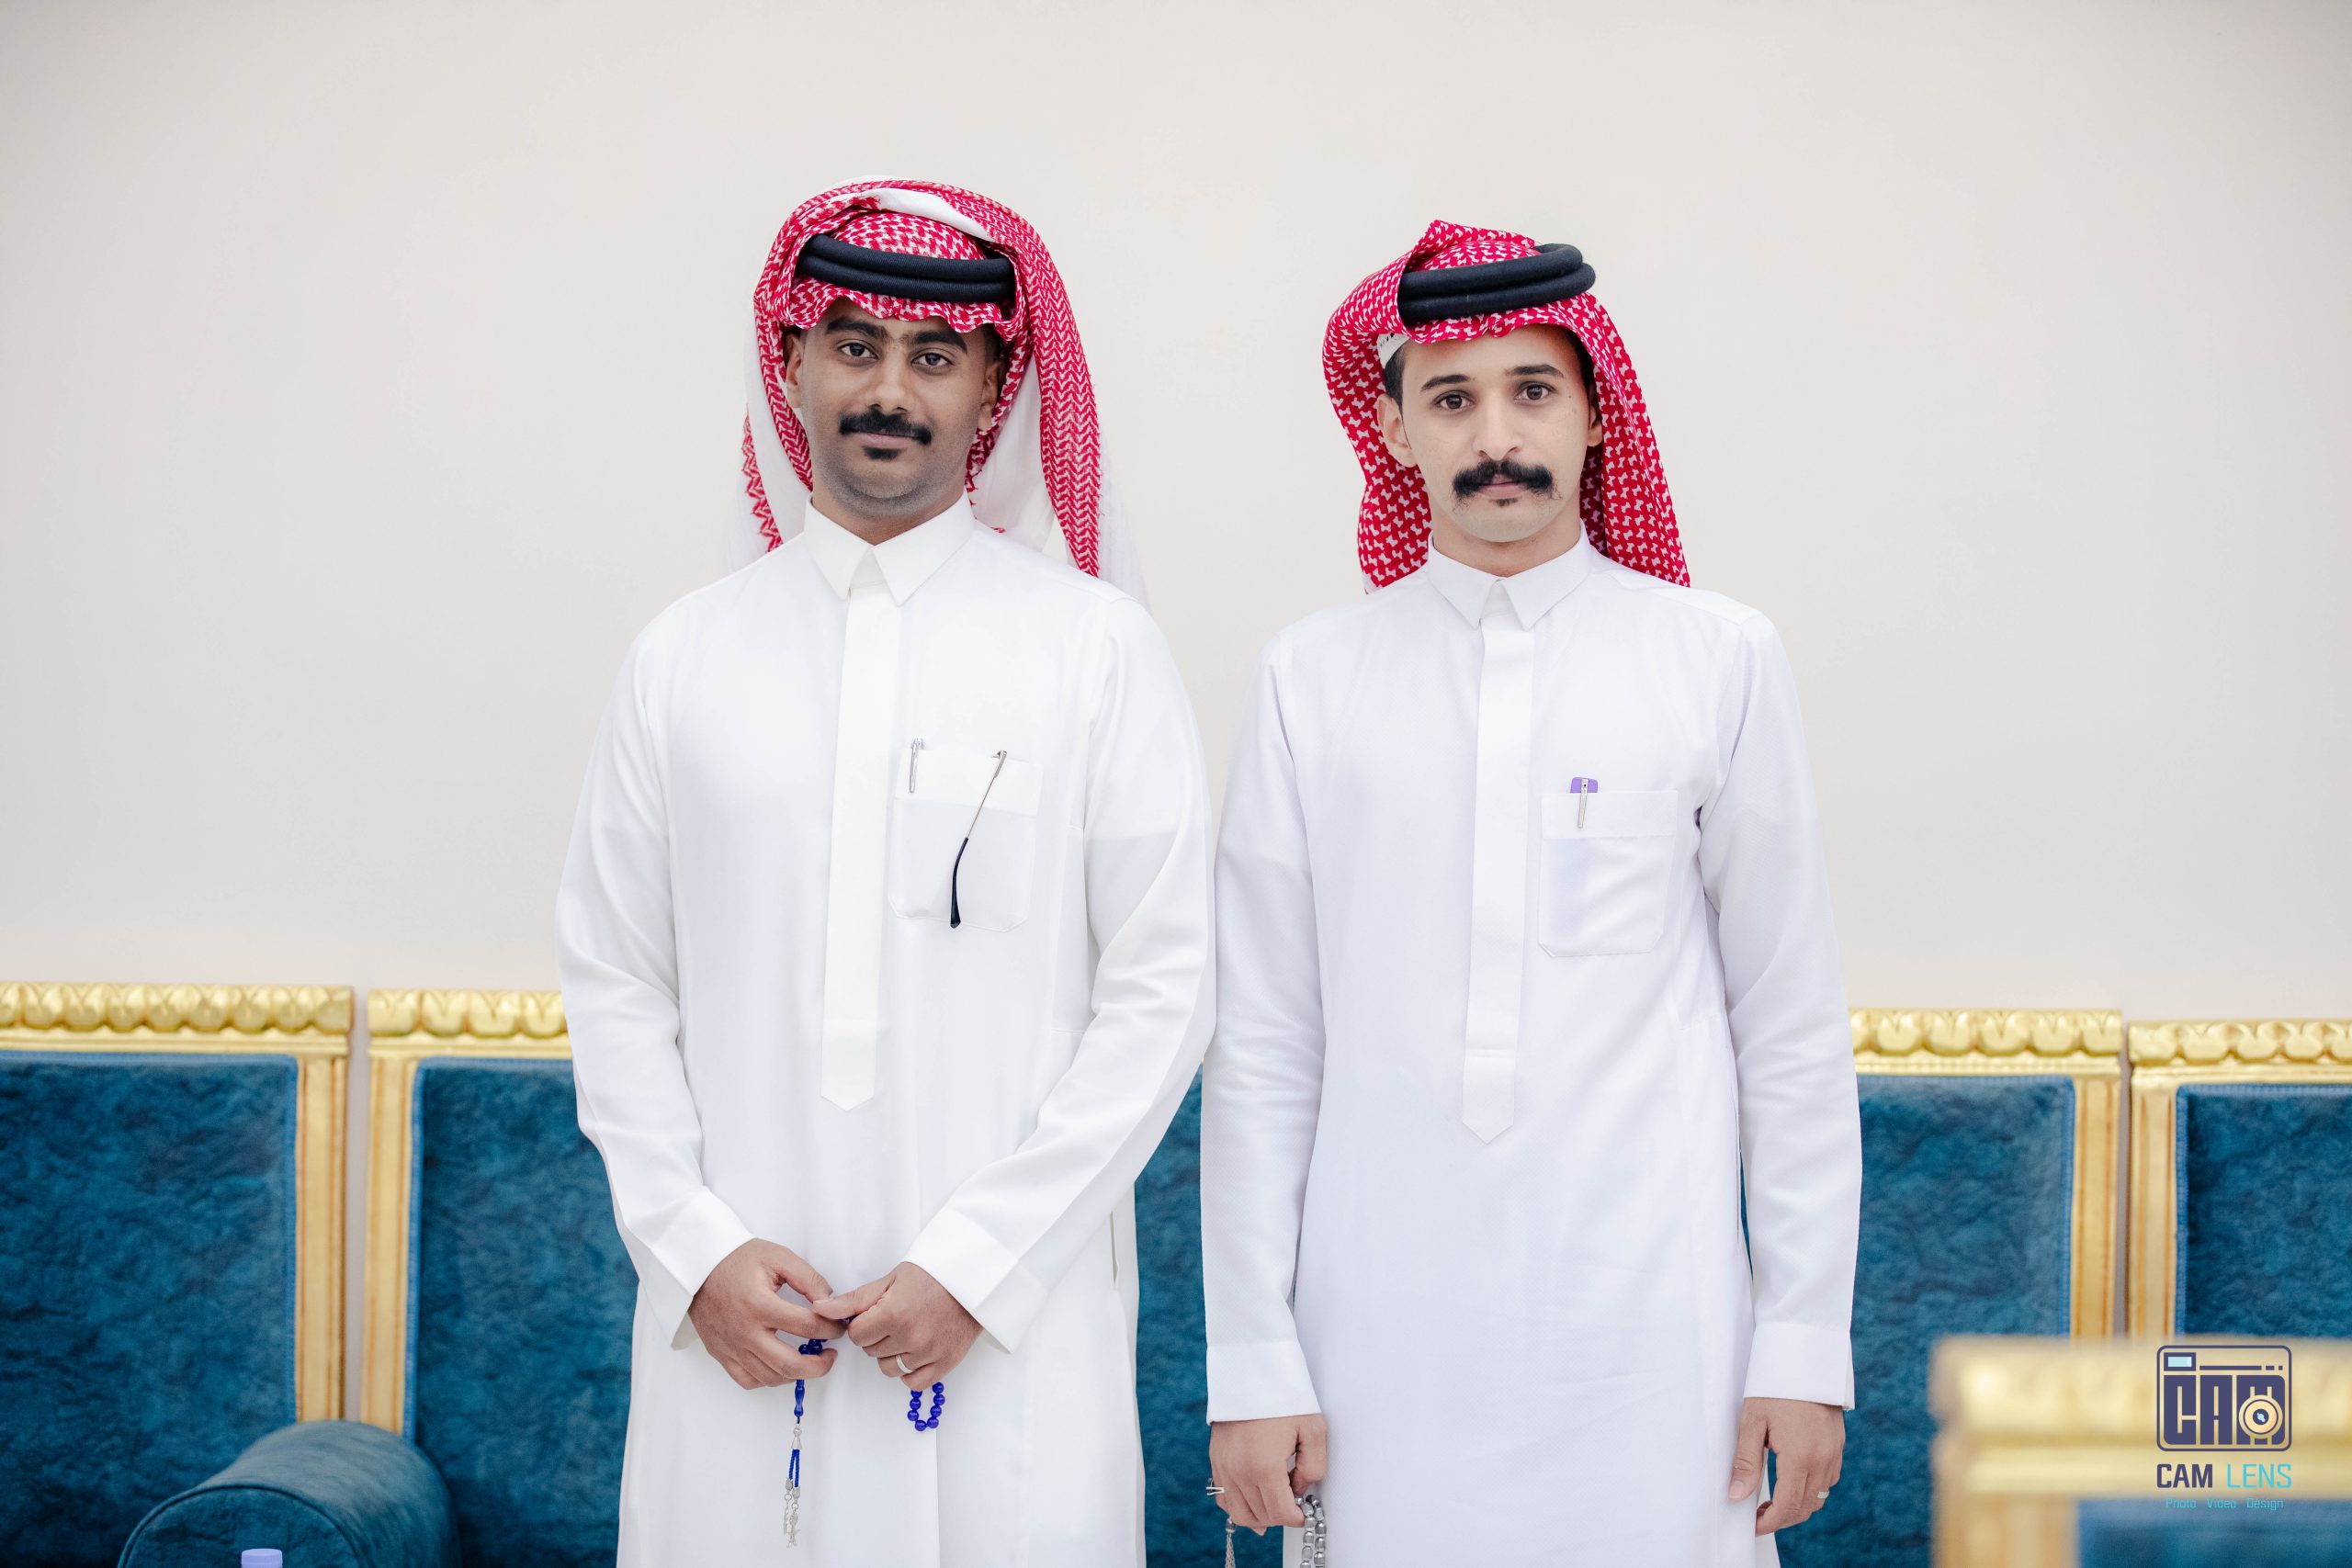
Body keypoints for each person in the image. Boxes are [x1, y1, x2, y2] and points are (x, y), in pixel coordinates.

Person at [556, 179, 1213, 1567]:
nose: (890, 391)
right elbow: (613, 977)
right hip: (735, 1328)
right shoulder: (684, 658)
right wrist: (693, 1253)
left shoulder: (1094, 651)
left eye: (934, 356)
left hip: (1014, 1329)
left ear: (994, 389)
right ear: (793, 361)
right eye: (855, 348)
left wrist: (980, 1266)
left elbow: (1164, 992)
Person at [1199, 221, 1860, 1565]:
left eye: (1533, 391)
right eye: (1451, 399)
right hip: (1377, 1337)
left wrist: (1801, 1343)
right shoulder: (1310, 677)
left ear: (1597, 414)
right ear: (1394, 431)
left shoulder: (1716, 660)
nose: (1495, 436)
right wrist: (1254, 1359)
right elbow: (1265, 1045)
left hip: (1655, 1337)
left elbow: (1788, 1027)